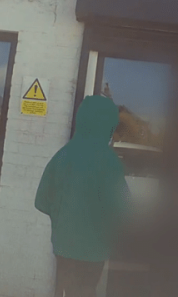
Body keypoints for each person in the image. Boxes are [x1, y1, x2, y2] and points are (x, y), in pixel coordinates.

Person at [35, 95, 130, 297]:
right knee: (86, 292)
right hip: (94, 250)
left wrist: (61, 217)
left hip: (63, 247)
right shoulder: (109, 161)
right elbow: (123, 208)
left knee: (66, 291)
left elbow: (41, 201)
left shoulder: (62, 155)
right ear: (108, 126)